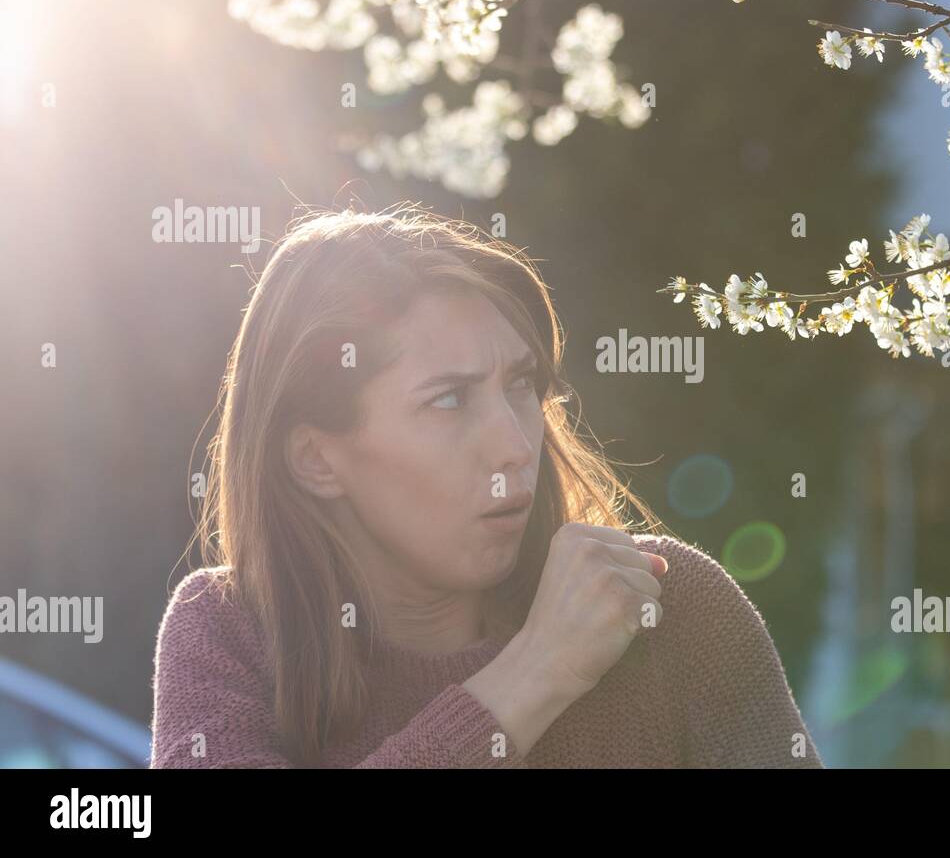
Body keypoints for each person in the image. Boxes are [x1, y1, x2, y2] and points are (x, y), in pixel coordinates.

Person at [149, 204, 822, 768]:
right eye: (448, 400)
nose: (514, 443)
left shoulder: (665, 607)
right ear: (315, 460)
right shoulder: (226, 634)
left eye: (520, 384)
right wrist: (534, 674)